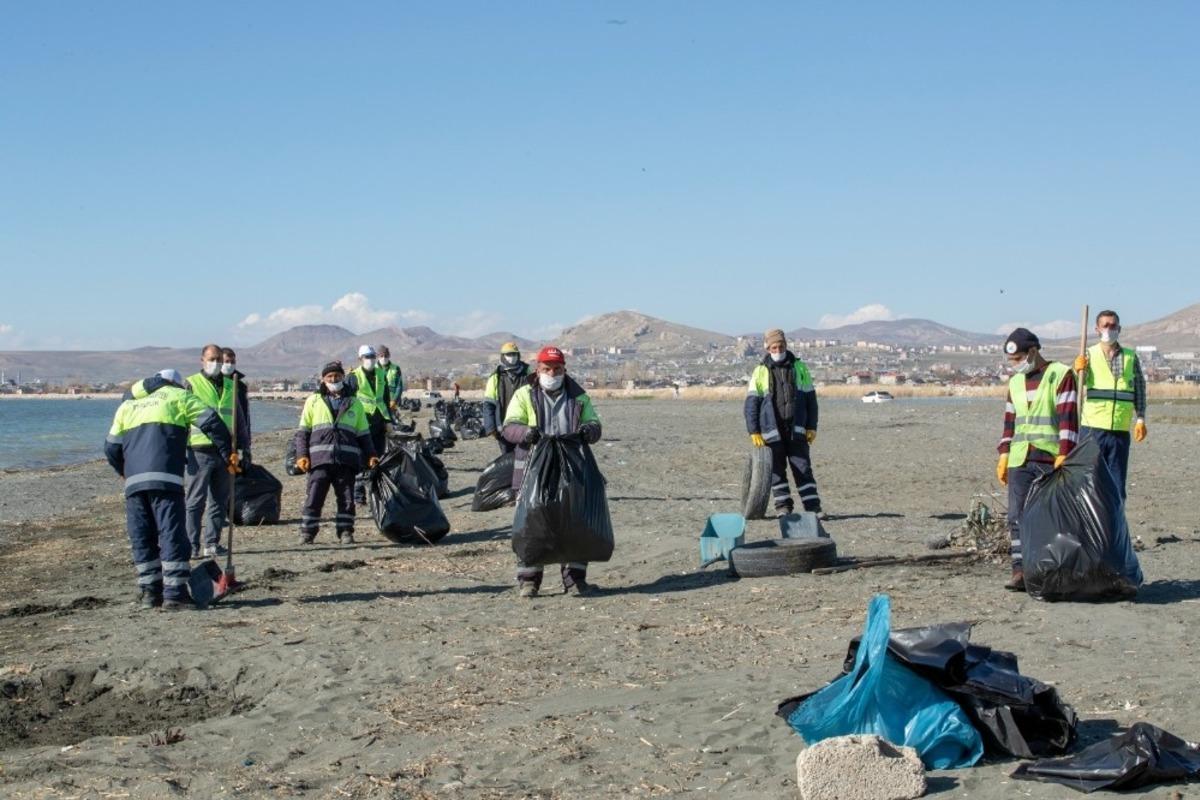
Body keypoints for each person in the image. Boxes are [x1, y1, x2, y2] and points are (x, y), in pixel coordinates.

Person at [105, 369, 234, 609]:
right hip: (166, 479)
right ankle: (175, 594)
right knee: (171, 533)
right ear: (175, 384)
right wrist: (229, 454)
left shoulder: (128, 406)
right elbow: (213, 422)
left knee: (142, 536)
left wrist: (124, 471)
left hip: (134, 483)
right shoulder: (179, 397)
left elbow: (111, 448)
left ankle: (150, 593)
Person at [502, 346, 602, 598]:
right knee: (532, 523)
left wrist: (589, 430)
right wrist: (527, 433)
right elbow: (509, 427)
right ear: (538, 370)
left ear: (564, 369)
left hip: (572, 470)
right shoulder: (525, 394)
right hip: (532, 470)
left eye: (557, 369)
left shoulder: (579, 397)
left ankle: (575, 579)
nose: (552, 373)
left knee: (576, 522)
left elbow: (594, 424)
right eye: (547, 369)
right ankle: (529, 580)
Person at [995, 328, 1079, 592]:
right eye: (1012, 360)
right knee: (1017, 516)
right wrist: (1004, 453)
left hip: (1049, 457)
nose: (1015, 364)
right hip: (1020, 457)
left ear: (1033, 352)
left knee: (1048, 517)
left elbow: (1068, 417)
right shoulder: (1016, 383)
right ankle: (1020, 570)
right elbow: (1011, 421)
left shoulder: (1060, 375)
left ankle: (1049, 570)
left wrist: (1065, 451)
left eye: (1019, 358)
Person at [293, 361, 379, 545]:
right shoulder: (313, 401)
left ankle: (346, 532)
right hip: (319, 460)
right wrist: (301, 455)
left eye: (337, 376)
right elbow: (302, 433)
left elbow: (364, 434)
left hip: (345, 461)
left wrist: (371, 454)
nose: (334, 379)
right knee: (314, 498)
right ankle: (307, 532)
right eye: (330, 377)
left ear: (343, 378)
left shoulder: (355, 404)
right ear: (323, 380)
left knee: (347, 499)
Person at [744, 329, 824, 518]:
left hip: (797, 430)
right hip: (771, 430)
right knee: (777, 471)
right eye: (774, 347)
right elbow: (751, 404)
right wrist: (753, 431)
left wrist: (812, 426)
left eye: (780, 346)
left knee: (803, 468)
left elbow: (811, 400)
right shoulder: (760, 371)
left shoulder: (800, 368)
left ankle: (813, 508)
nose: (777, 349)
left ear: (786, 346)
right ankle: (783, 507)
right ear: (767, 348)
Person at [1073, 310, 1147, 501]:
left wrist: (1140, 418)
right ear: (1097, 329)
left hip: (1119, 433)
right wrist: (1076, 370)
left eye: (1113, 325)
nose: (1109, 329)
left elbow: (1139, 389)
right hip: (1092, 430)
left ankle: (1114, 529)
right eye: (1105, 325)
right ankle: (1087, 528)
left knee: (1116, 486)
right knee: (1089, 483)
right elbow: (1074, 386)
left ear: (1119, 329)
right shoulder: (1087, 354)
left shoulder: (1131, 357)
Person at [184, 344, 241, 558]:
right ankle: (191, 545)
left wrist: (242, 448)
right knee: (195, 500)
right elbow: (182, 419)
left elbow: (239, 420)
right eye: (211, 359)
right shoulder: (191, 384)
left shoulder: (231, 384)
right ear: (202, 360)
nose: (216, 363)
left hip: (226, 451)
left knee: (219, 500)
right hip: (199, 450)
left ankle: (212, 543)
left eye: (219, 359)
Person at [346, 344, 391, 504]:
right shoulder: (353, 376)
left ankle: (375, 491)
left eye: (372, 356)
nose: (371, 360)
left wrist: (388, 420)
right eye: (367, 357)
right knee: (360, 458)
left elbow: (385, 398)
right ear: (360, 359)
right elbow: (348, 401)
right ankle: (359, 495)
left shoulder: (381, 373)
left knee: (377, 457)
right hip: (361, 422)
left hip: (378, 421)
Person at [482, 342, 530, 453]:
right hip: (503, 428)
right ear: (502, 356)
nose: (512, 357)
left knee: (524, 458)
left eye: (514, 354)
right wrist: (491, 428)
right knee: (507, 459)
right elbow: (489, 403)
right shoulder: (496, 376)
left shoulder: (528, 372)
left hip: (525, 427)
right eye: (509, 354)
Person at [220, 347, 252, 468]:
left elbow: (245, 415)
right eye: (226, 361)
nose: (229, 365)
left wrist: (246, 444)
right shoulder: (214, 384)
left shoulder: (240, 386)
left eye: (232, 362)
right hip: (219, 437)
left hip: (236, 435)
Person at [377, 345, 404, 419]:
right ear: (378, 356)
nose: (384, 358)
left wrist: (394, 400)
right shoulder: (373, 368)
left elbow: (399, 386)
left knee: (391, 424)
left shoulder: (395, 368)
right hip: (377, 404)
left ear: (389, 355)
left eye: (386, 355)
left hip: (391, 403)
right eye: (381, 356)